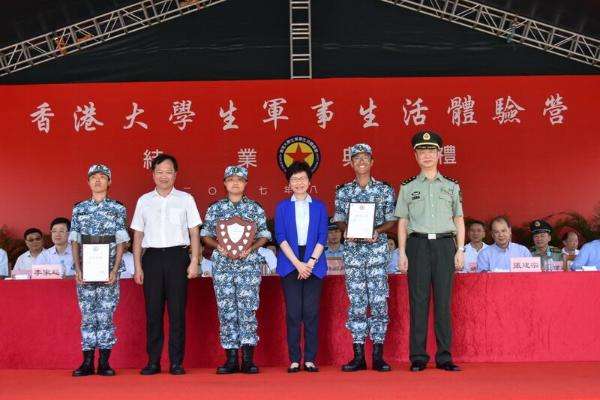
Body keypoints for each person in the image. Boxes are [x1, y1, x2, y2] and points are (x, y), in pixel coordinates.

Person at [395, 131, 465, 372]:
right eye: (422, 151)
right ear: (415, 156)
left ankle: (444, 357)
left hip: (445, 245)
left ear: (439, 154)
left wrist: (460, 249)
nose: (427, 155)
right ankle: (418, 357)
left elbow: (459, 219)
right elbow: (402, 222)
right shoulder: (407, 187)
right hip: (418, 246)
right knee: (418, 301)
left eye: (431, 151)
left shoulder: (451, 186)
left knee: (443, 303)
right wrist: (402, 252)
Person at [131, 154, 202, 376]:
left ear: (175, 174)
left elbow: (194, 233)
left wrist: (194, 262)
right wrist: (138, 267)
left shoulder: (186, 199)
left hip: (177, 258)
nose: (164, 176)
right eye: (159, 172)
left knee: (177, 312)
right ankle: (153, 361)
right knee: (153, 312)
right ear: (152, 174)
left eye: (168, 171)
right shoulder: (144, 201)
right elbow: (138, 237)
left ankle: (176, 362)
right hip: (151, 258)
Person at [201, 166, 271, 374]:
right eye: (230, 179)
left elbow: (265, 234)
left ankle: (248, 359)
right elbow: (205, 234)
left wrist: (252, 248)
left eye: (239, 179)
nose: (235, 183)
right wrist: (218, 246)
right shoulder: (216, 209)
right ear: (224, 183)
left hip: (248, 266)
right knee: (227, 310)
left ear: (246, 183)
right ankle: (231, 359)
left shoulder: (255, 208)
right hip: (223, 266)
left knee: (248, 310)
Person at [334, 143, 397, 372]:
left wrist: (377, 231)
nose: (361, 162)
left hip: (377, 252)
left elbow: (392, 220)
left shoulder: (384, 190)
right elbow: (339, 219)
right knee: (357, 303)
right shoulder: (343, 191)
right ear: (351, 163)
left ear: (372, 162)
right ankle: (358, 355)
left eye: (365, 158)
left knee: (379, 302)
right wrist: (349, 229)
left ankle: (378, 356)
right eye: (356, 158)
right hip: (353, 253)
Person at [69, 164, 129, 377]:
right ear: (88, 182)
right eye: (93, 177)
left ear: (109, 181)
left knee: (106, 314)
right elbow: (74, 240)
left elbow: (122, 241)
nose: (97, 180)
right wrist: (77, 268)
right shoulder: (79, 209)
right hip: (86, 270)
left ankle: (104, 362)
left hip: (108, 270)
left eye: (102, 177)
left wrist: (115, 269)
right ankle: (86, 363)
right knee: (87, 316)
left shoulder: (117, 208)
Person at [274, 161, 328, 373]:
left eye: (302, 178)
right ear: (289, 182)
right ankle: (295, 359)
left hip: (314, 260)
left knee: (312, 312)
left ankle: (310, 359)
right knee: (294, 313)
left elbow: (322, 236)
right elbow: (280, 237)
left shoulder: (319, 206)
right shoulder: (282, 207)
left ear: (309, 181)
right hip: (290, 262)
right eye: (294, 179)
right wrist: (298, 264)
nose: (299, 183)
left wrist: (311, 263)